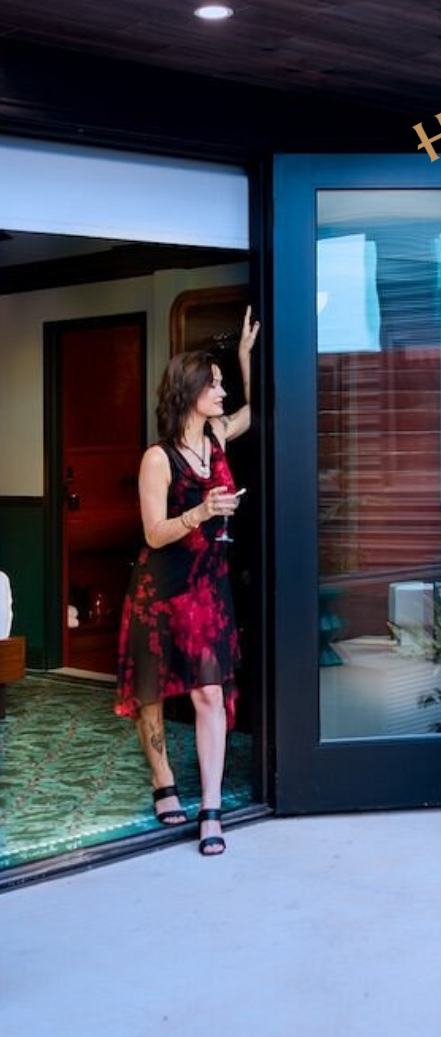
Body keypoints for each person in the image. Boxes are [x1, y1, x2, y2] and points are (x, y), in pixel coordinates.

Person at [115, 307, 260, 856]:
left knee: (209, 692)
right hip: (162, 590)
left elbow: (254, 410)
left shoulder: (218, 437)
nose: (221, 393)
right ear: (189, 392)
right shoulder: (158, 458)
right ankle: (163, 782)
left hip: (208, 589)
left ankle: (211, 808)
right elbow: (154, 535)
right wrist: (201, 512)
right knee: (151, 693)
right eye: (214, 385)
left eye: (222, 384)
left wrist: (245, 360)